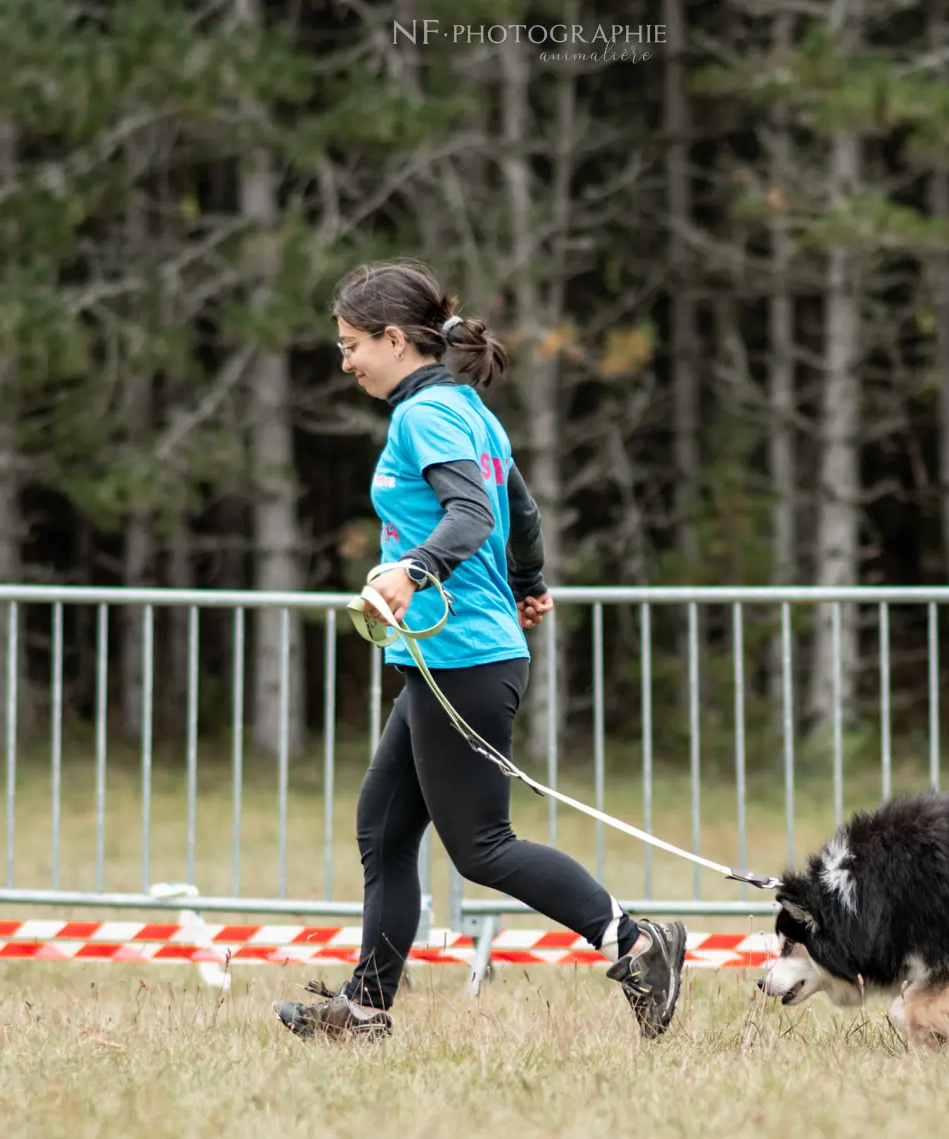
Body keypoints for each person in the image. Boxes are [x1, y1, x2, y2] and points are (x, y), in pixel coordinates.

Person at [273, 258, 689, 1042]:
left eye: (352, 343)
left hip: (463, 659)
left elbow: (469, 513)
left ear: (395, 339)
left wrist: (412, 570)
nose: (345, 361)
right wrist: (527, 580)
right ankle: (363, 1010)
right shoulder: (468, 409)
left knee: (482, 847)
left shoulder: (422, 418)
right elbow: (520, 511)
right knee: (385, 828)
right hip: (452, 658)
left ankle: (637, 943)